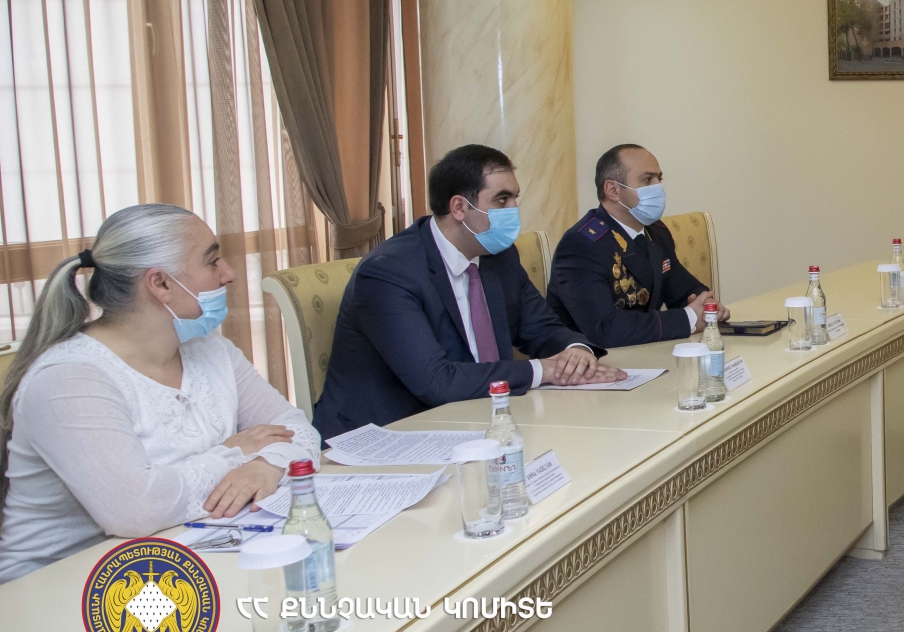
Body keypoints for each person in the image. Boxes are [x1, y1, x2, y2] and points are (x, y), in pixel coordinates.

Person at [0, 204, 320, 583]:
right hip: (58, 586)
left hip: (173, 559)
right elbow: (138, 510)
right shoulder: (69, 380)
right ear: (160, 283)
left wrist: (267, 464)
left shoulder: (211, 350)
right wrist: (234, 453)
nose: (229, 274)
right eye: (212, 261)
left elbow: (297, 429)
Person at [312, 144, 623, 438]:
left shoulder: (499, 256)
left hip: (479, 418)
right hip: (388, 433)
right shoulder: (388, 272)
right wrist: (542, 370)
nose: (514, 209)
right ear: (459, 207)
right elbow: (436, 381)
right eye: (502, 200)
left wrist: (576, 353)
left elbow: (543, 329)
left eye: (515, 198)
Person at [548, 144, 728, 348]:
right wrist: (689, 318)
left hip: (644, 350)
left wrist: (706, 305)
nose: (658, 187)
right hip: (591, 360)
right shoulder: (580, 245)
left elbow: (684, 289)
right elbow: (605, 328)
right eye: (647, 179)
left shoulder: (657, 232)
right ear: (613, 190)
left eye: (659, 179)